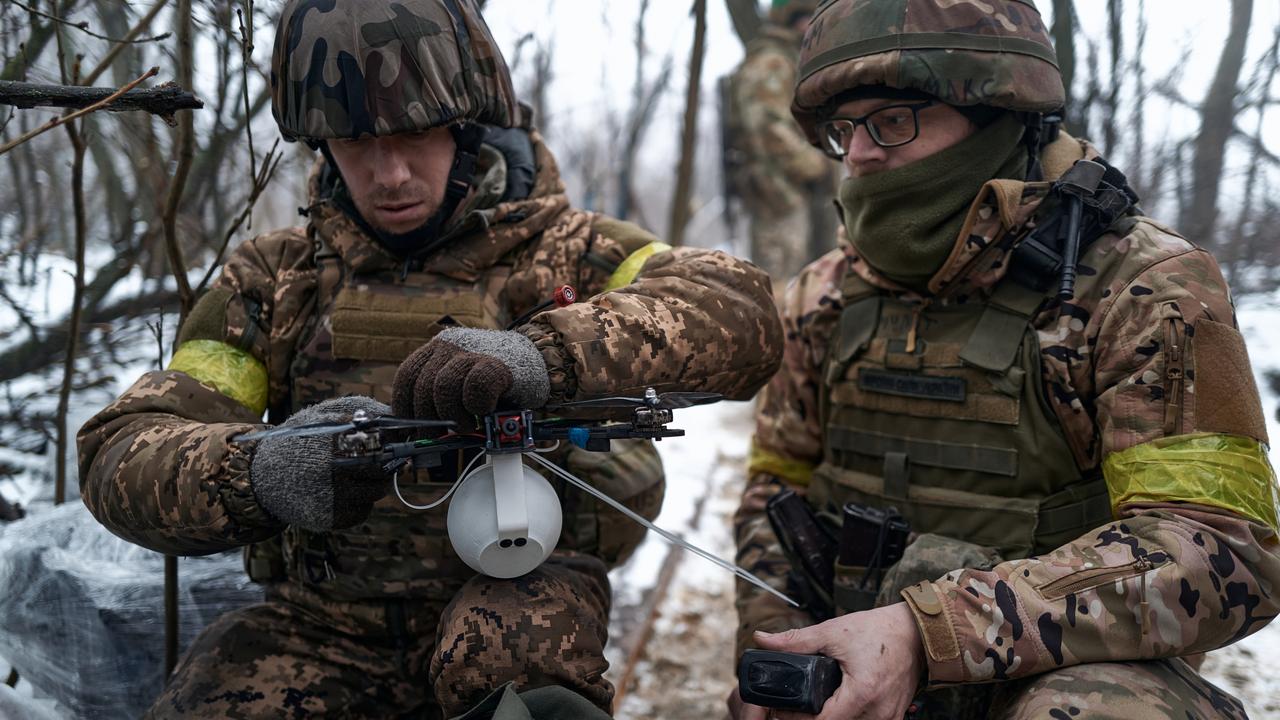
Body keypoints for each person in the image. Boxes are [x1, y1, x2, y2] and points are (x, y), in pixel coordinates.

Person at [75, 1, 783, 718]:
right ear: (320, 146)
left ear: (470, 125)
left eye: (414, 134)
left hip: (519, 594)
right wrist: (261, 470)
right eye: (353, 142)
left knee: (524, 674)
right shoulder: (274, 279)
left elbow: (743, 312)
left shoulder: (577, 254)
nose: (388, 174)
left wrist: (546, 354)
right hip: (321, 623)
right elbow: (122, 452)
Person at [730, 1, 1280, 718]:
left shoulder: (1142, 286)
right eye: (842, 130)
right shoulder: (825, 293)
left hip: (1048, 679)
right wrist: (781, 652)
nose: (860, 155)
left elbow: (1222, 547)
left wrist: (932, 635)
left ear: (996, 114)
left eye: (892, 121)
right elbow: (776, 488)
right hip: (853, 672)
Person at [725, 0, 837, 282]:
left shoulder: (791, 58)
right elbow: (765, 125)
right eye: (808, 18)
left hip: (792, 191)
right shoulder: (772, 61)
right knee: (781, 284)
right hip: (778, 194)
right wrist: (815, 164)